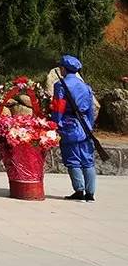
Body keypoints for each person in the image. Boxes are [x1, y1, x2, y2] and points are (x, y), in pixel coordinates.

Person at [52, 55, 97, 202]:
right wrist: (89, 126)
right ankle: (90, 193)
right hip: (85, 125)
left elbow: (58, 108)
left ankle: (79, 189)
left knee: (72, 159)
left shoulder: (60, 85)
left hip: (69, 124)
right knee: (87, 160)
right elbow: (91, 110)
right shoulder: (86, 87)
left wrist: (55, 124)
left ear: (63, 69)